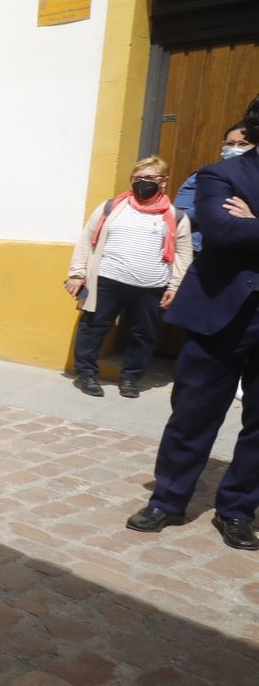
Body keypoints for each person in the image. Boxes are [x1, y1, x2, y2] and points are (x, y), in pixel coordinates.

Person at [128, 95, 259, 552]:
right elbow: (222, 233)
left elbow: (244, 233)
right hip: (219, 314)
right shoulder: (221, 174)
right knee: (193, 413)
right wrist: (244, 226)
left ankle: (239, 509)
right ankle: (168, 499)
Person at [64, 156, 192, 398]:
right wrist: (78, 274)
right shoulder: (110, 208)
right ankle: (86, 374)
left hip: (151, 286)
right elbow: (86, 240)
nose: (143, 183)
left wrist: (175, 286)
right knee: (93, 328)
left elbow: (183, 255)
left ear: (163, 181)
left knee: (143, 333)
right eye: (138, 178)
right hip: (107, 280)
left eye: (150, 178)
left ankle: (131, 378)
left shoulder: (176, 217)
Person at [175, 122, 252, 252]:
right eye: (230, 144)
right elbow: (181, 215)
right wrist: (216, 206)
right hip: (202, 249)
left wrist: (250, 219)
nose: (235, 148)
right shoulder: (203, 177)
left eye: (243, 144)